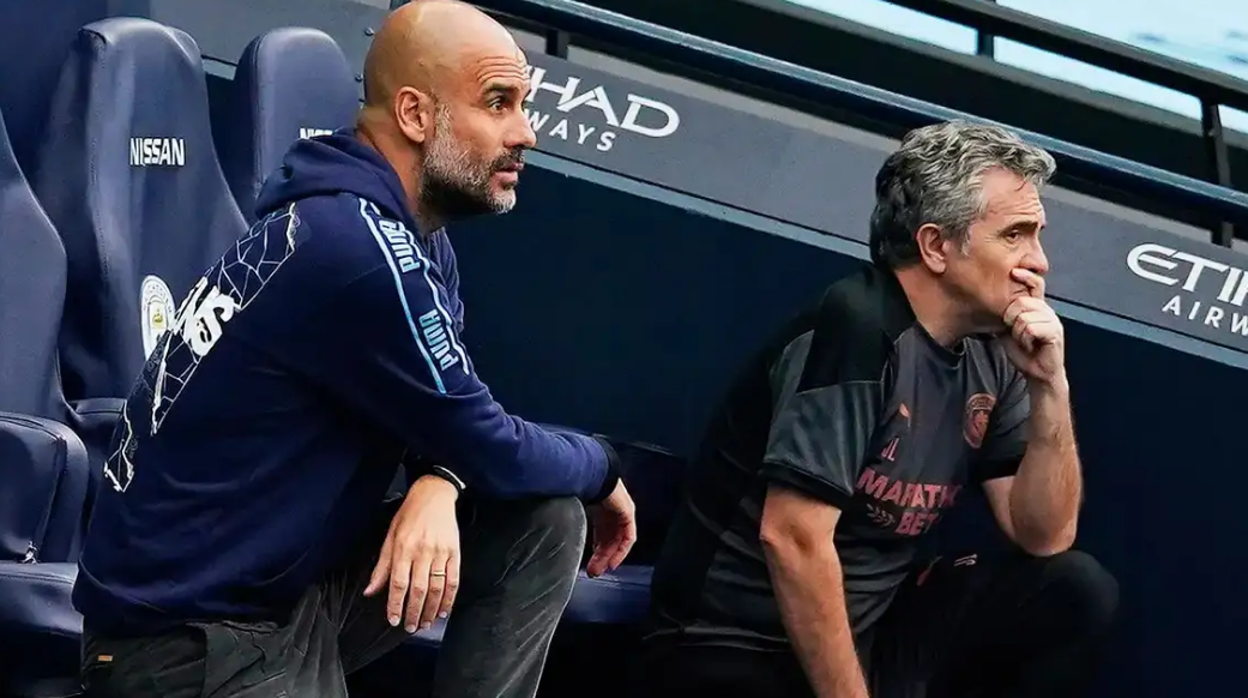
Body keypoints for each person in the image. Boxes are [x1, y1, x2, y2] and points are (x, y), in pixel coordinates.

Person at [73, 2, 636, 697]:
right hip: (188, 644)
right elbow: (490, 442)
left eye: (524, 104)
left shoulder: (410, 232)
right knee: (557, 484)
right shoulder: (359, 252)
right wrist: (605, 466)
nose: (527, 133)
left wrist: (441, 480)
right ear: (414, 114)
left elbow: (452, 408)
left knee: (542, 518)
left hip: (289, 594)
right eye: (499, 103)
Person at [636, 120, 1119, 698]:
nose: (1038, 262)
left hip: (876, 629)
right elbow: (792, 538)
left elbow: (1044, 536)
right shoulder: (859, 324)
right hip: (737, 643)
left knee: (1074, 586)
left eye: (1037, 236)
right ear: (936, 246)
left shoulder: (999, 344)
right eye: (1014, 236)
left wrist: (1049, 387)